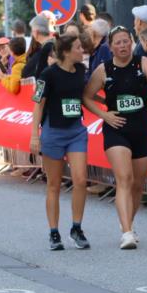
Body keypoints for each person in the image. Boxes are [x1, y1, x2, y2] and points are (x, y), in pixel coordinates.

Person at [82, 26, 147, 249]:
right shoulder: (103, 69)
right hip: (115, 128)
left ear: (131, 42)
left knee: (138, 185)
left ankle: (128, 222)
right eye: (117, 43)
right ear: (110, 47)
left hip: (141, 128)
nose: (122, 46)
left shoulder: (142, 63)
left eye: (125, 41)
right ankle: (127, 232)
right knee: (124, 179)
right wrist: (104, 114)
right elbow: (87, 97)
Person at [29, 33, 91, 251]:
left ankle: (76, 227)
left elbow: (84, 96)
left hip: (76, 131)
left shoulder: (81, 70)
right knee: (54, 184)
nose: (81, 50)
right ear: (66, 51)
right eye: (77, 47)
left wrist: (104, 108)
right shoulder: (48, 74)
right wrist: (34, 135)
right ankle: (54, 232)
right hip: (53, 132)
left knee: (81, 179)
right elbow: (37, 104)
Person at [25, 15, 55, 80]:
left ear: (36, 32)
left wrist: (39, 90)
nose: (32, 34)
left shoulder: (46, 49)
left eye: (32, 31)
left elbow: (41, 76)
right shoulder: (55, 44)